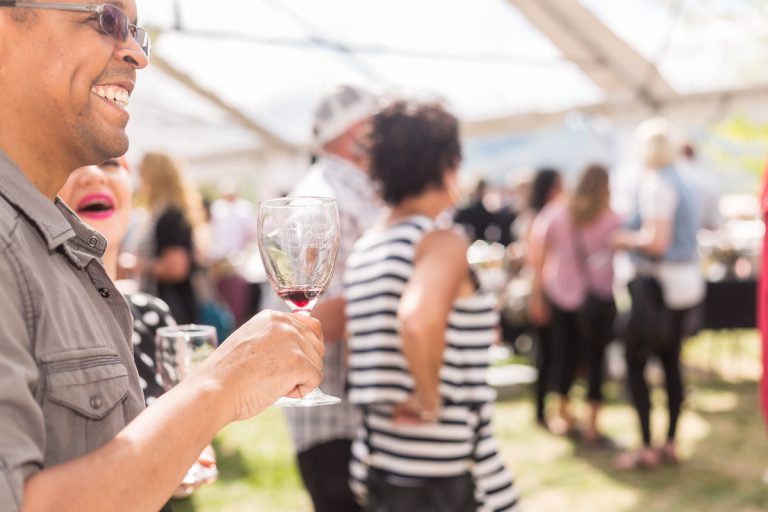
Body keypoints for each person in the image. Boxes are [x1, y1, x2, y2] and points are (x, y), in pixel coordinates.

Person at [0, 3, 324, 510]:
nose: (135, 54)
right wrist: (223, 382)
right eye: (107, 19)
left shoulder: (55, 243)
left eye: (134, 31)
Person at [345, 99, 518, 512]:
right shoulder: (441, 241)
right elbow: (418, 320)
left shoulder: (365, 248)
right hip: (451, 468)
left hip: (378, 459)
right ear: (446, 163)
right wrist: (428, 398)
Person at [59, 157, 217, 502]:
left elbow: (185, 433)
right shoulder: (36, 316)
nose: (91, 174)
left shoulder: (152, 316)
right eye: (71, 162)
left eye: (110, 162)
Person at [285, 84, 382, 512]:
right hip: (337, 420)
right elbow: (308, 318)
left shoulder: (352, 188)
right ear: (356, 132)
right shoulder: (323, 195)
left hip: (355, 415)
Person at [613, 118, 704, 468]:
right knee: (671, 362)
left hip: (658, 289)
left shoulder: (658, 184)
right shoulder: (684, 180)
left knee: (636, 362)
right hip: (683, 286)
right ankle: (669, 442)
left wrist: (623, 239)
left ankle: (649, 446)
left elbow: (657, 241)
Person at [528, 164, 620, 444]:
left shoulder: (556, 213)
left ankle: (564, 417)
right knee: (594, 361)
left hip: (561, 294)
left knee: (564, 358)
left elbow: (537, 258)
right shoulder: (611, 218)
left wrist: (537, 296)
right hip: (597, 297)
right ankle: (591, 425)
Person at [135, 152, 205, 325]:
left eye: (143, 176)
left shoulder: (170, 215)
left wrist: (139, 266)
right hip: (172, 304)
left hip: (173, 306)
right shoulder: (168, 211)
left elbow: (176, 267)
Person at [521, 168, 563, 428]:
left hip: (549, 290)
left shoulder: (544, 216)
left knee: (551, 354)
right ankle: (541, 410)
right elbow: (536, 263)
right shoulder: (540, 218)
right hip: (543, 290)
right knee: (546, 355)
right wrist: (538, 299)